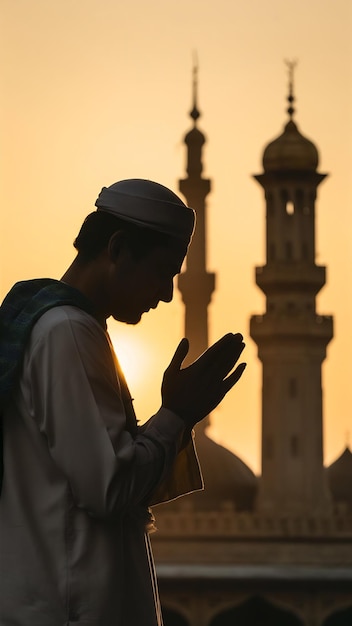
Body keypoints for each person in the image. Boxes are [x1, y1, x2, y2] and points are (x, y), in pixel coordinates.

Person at [0, 179, 246, 626]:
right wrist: (175, 416)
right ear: (117, 249)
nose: (168, 293)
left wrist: (175, 418)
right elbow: (109, 489)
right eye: (162, 272)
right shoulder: (68, 332)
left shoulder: (65, 328)